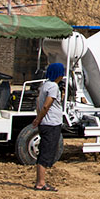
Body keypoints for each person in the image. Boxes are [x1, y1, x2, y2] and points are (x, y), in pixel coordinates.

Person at [31, 62, 66, 191]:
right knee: (46, 152)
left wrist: (37, 118)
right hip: (51, 124)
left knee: (45, 150)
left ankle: (40, 181)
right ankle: (40, 183)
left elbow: (38, 103)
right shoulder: (53, 87)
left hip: (45, 123)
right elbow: (46, 105)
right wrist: (39, 119)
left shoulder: (44, 85)